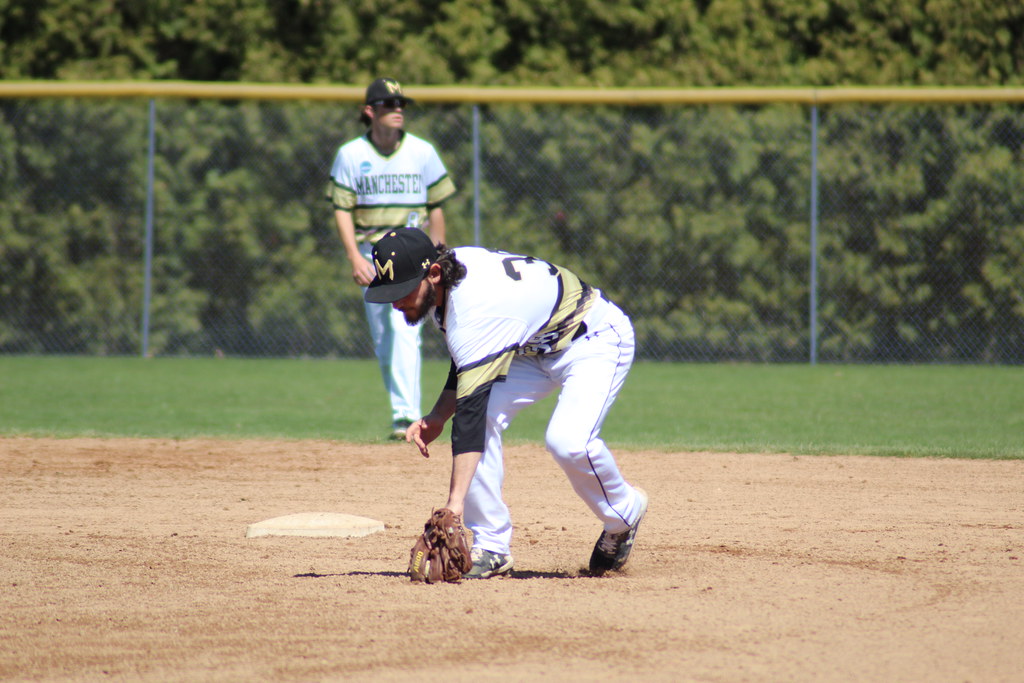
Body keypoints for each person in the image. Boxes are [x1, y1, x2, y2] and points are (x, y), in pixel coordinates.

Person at [364, 228, 648, 579]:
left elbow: (470, 389)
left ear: (433, 274)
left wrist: (454, 506)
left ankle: (623, 514)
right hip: (529, 349)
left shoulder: (476, 306)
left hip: (593, 339)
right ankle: (493, 546)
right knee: (484, 417)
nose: (395, 302)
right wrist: (438, 415)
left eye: (402, 290)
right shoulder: (450, 285)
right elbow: (469, 361)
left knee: (568, 442)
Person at [327, 77, 457, 439]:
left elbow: (436, 209)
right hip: (373, 251)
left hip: (414, 251)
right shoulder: (351, 155)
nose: (398, 110)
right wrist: (354, 257)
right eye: (388, 104)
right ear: (370, 111)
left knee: (403, 330)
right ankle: (402, 410)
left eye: (401, 104)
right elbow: (342, 209)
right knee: (384, 337)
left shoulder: (422, 152)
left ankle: (405, 415)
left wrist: (439, 255)